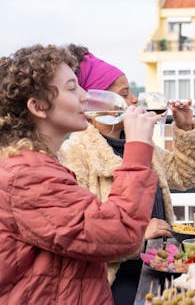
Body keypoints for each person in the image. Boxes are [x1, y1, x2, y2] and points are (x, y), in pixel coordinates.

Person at [0, 44, 160, 304]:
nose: (85, 96)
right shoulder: (27, 178)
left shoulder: (34, 165)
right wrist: (138, 148)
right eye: (72, 88)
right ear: (38, 106)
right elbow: (119, 233)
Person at [59, 45, 195, 305]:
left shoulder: (136, 141)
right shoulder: (75, 153)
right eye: (124, 94)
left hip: (161, 261)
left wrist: (184, 127)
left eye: (132, 92)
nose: (134, 100)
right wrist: (137, 236)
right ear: (96, 101)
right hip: (113, 276)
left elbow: (186, 176)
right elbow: (83, 235)